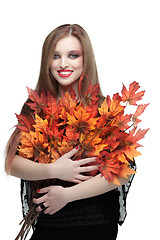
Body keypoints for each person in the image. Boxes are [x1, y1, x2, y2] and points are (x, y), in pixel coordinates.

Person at [5, 24, 135, 240]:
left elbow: (122, 171)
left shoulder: (105, 108)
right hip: (50, 222)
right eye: (55, 56)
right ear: (47, 60)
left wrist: (67, 195)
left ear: (85, 60)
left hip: (96, 222)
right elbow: (12, 164)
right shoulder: (36, 106)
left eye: (72, 55)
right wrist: (53, 170)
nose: (63, 63)